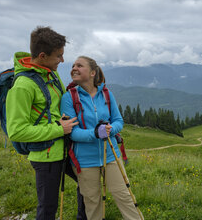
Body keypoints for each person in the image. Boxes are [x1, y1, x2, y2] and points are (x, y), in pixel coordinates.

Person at [6, 26, 82, 220]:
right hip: (45, 157)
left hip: (65, 148)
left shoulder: (51, 73)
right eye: (58, 56)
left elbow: (58, 107)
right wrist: (58, 129)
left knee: (89, 184)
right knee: (48, 208)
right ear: (42, 55)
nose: (62, 60)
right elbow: (16, 131)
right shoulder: (22, 87)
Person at [61, 56, 144, 220]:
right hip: (84, 160)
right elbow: (72, 132)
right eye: (73, 65)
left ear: (92, 72)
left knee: (124, 196)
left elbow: (119, 121)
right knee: (92, 203)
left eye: (79, 65)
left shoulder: (106, 94)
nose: (74, 68)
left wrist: (110, 129)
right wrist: (95, 133)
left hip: (111, 155)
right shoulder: (69, 97)